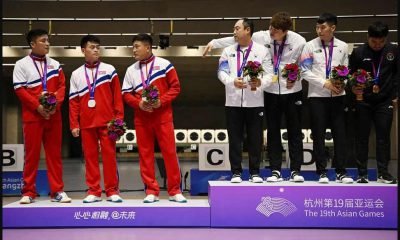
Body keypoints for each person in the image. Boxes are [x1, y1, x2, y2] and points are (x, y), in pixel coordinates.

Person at [204, 12, 306, 183]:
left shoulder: (299, 42)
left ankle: (295, 170)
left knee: (295, 131)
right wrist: (214, 43)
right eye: (270, 28)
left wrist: (298, 77)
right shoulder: (261, 36)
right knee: (273, 131)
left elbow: (304, 65)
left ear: (285, 31)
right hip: (270, 90)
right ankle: (275, 170)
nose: (271, 32)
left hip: (292, 89)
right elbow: (237, 38)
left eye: (275, 31)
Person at [121, 33, 187, 203]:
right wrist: (139, 104)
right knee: (145, 154)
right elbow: (126, 94)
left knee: (170, 153)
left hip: (163, 116)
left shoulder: (164, 65)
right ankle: (151, 190)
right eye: (133, 47)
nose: (133, 50)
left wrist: (161, 102)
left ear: (148, 47)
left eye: (137, 46)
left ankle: (174, 190)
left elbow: (176, 87)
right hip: (141, 119)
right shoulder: (131, 70)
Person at [13, 29, 71, 204]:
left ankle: (57, 191)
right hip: (33, 116)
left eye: (48, 40)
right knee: (31, 155)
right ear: (32, 44)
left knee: (54, 155)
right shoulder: (21, 64)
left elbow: (62, 87)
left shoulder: (55, 64)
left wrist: (56, 105)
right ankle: (28, 191)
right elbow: (20, 90)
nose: (47, 43)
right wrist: (37, 106)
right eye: (43, 40)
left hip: (54, 116)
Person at [217, 18, 273, 183]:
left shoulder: (262, 51)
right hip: (233, 101)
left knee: (255, 138)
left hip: (255, 101)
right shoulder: (228, 51)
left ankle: (255, 172)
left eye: (237, 28)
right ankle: (236, 172)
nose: (234, 32)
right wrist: (231, 81)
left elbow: (270, 74)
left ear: (247, 30)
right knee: (235, 138)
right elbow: (221, 72)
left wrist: (261, 81)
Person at [69, 35, 124, 203]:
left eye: (97, 47)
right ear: (83, 50)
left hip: (107, 123)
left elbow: (117, 97)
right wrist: (74, 123)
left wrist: (118, 120)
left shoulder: (109, 69)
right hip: (86, 123)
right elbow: (73, 102)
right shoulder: (76, 74)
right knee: (90, 157)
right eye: (92, 47)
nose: (96, 50)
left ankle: (112, 191)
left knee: (109, 157)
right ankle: (93, 190)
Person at [300, 13, 354, 184]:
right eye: (317, 27)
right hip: (317, 96)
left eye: (322, 27)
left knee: (340, 134)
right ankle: (321, 171)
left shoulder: (343, 46)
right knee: (318, 134)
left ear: (333, 28)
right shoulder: (309, 46)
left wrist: (341, 83)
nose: (319, 30)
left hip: (338, 96)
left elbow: (346, 69)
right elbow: (305, 71)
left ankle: (341, 172)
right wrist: (325, 84)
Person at [348, 21, 398, 184]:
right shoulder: (358, 52)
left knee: (383, 138)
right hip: (363, 101)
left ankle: (383, 172)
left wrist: (396, 95)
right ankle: (362, 173)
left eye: (381, 42)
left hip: (385, 101)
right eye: (374, 41)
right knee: (361, 137)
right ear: (367, 37)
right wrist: (354, 88)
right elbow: (350, 75)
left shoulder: (393, 50)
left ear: (386, 39)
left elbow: (397, 74)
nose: (377, 45)